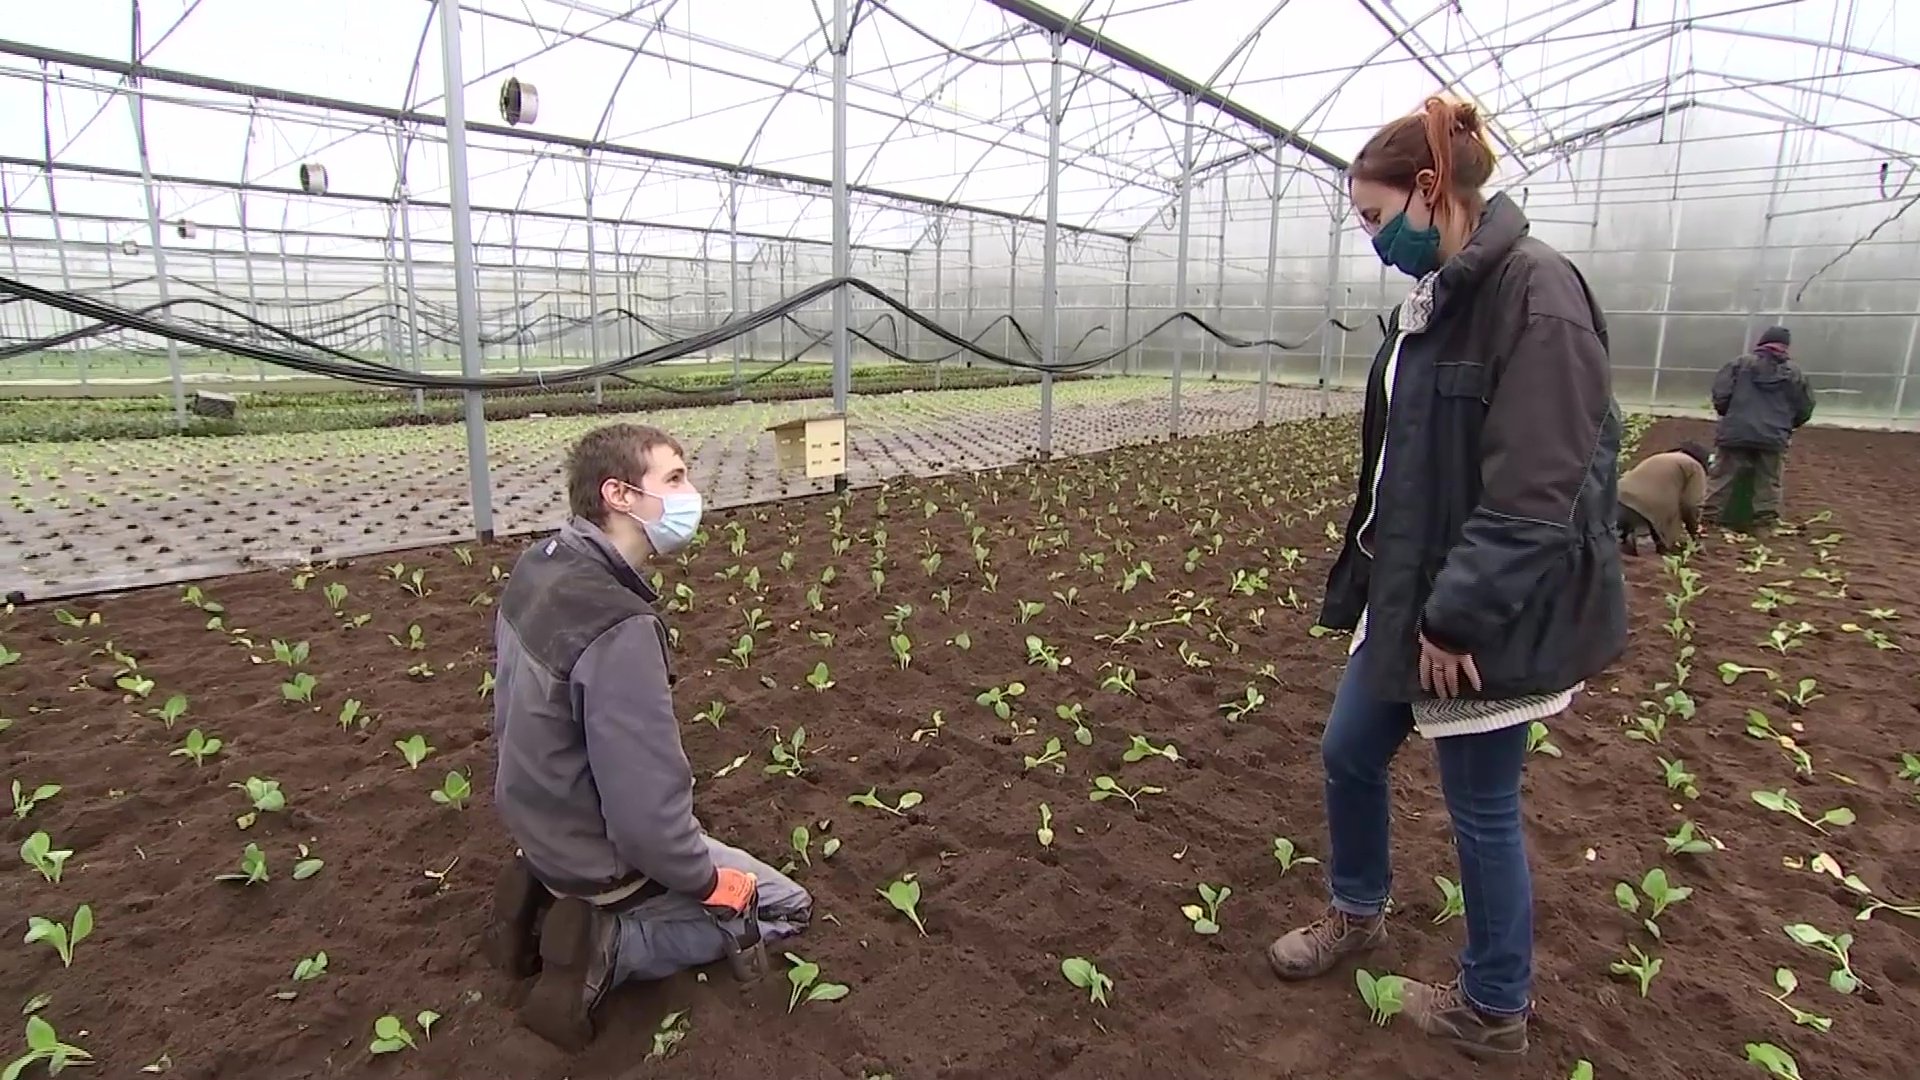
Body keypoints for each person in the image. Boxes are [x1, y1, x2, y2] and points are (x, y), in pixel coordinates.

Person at [1264, 97, 1627, 1058]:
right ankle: (1359, 910)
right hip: (1409, 594)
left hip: (1482, 616)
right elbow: (1407, 460)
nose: (1374, 241)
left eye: (1377, 218)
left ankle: (1493, 1005)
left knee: (1479, 808)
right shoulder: (1439, 298)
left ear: (1432, 191)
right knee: (1348, 751)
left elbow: (1537, 487)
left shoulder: (1537, 295)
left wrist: (1456, 617)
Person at [482, 422, 811, 1050]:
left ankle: (543, 897)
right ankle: (611, 945)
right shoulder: (620, 627)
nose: (693, 495)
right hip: (596, 853)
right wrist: (709, 882)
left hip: (536, 823)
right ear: (620, 495)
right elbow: (645, 818)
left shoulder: (538, 568)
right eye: (677, 479)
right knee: (783, 905)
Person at [1706, 326, 1815, 528]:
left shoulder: (1738, 364)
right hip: (1773, 437)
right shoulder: (1796, 374)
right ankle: (1764, 524)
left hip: (1736, 432)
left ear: (1762, 342)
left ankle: (1708, 519)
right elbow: (1805, 408)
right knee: (1769, 480)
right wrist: (1786, 425)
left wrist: (1731, 415)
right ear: (1786, 347)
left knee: (1722, 476)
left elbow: (1721, 396)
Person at [1616, 442, 1710, 556]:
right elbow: (1691, 505)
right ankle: (1643, 536)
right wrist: (1694, 534)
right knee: (1660, 538)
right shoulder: (1695, 466)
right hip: (1646, 508)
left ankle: (1625, 537)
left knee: (1617, 529)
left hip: (1618, 496)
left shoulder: (1661, 457)